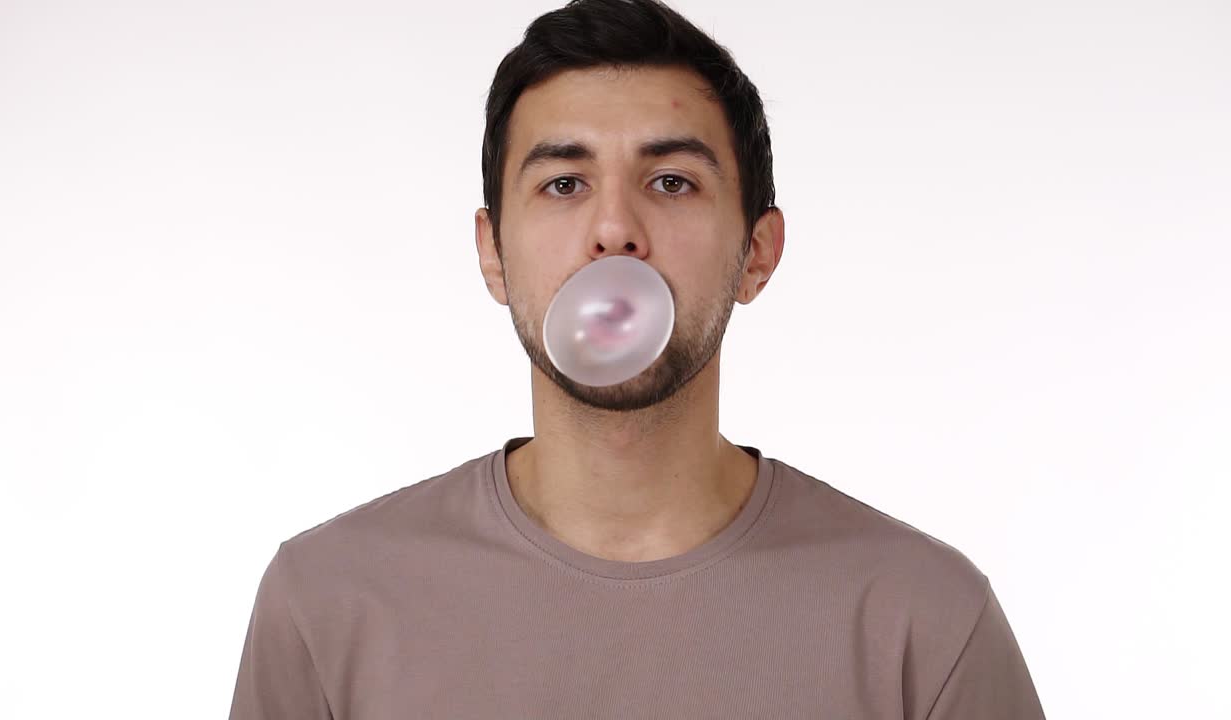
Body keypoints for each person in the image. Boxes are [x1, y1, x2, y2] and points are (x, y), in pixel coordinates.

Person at [227, 1, 1046, 717]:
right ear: (493, 255)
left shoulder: (923, 621)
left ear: (758, 253)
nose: (614, 230)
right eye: (563, 184)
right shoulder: (327, 604)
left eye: (671, 182)